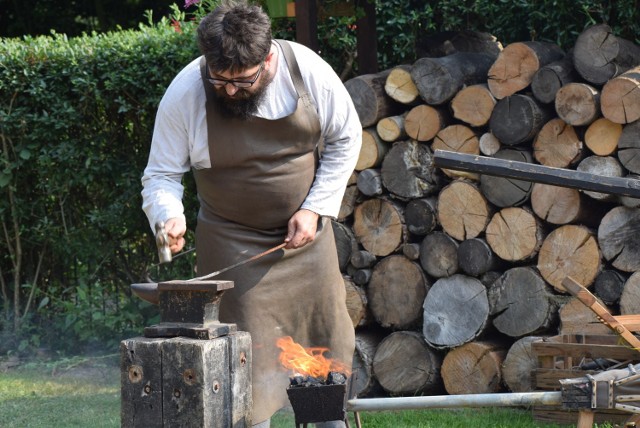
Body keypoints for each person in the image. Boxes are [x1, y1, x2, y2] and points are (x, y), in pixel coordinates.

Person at [141, 0, 362, 426]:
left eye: (242, 81)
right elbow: (162, 174)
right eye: (219, 79)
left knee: (323, 369)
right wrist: (170, 215)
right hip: (231, 248)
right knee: (245, 373)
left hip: (306, 247)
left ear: (269, 57)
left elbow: (346, 138)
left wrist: (315, 209)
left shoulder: (307, 72)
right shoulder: (187, 90)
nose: (227, 90)